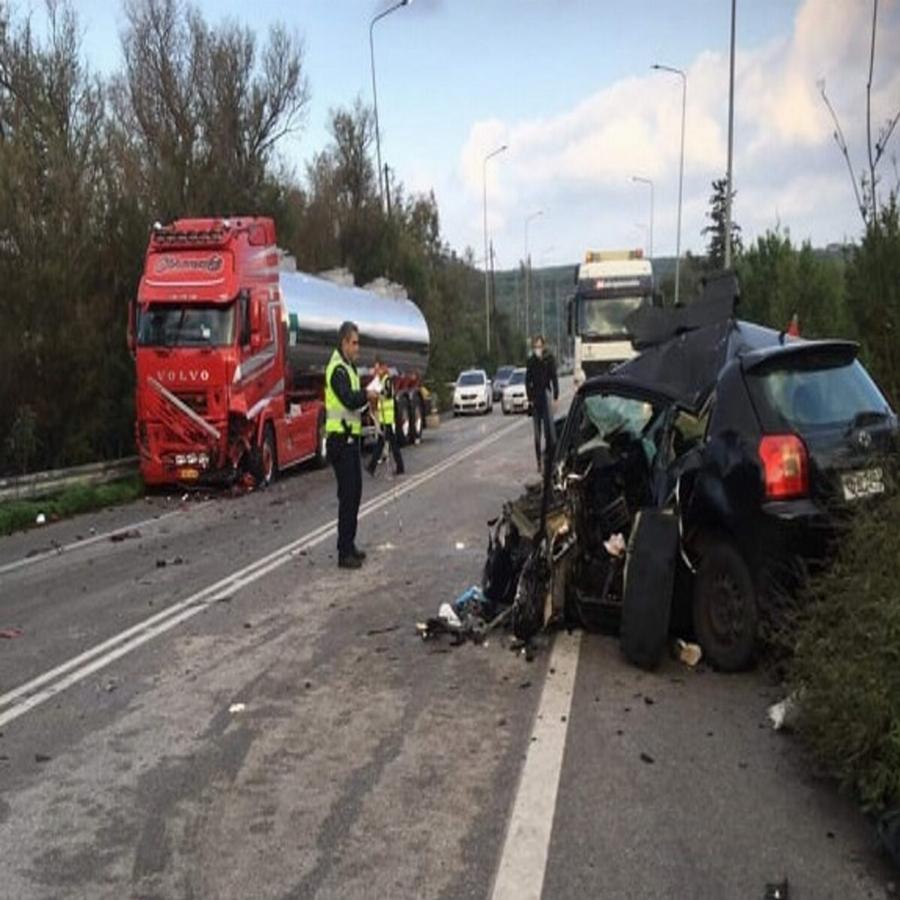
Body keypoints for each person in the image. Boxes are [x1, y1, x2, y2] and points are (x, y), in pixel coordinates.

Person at [325, 321, 379, 569]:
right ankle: (343, 551)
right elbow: (347, 399)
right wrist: (366, 395)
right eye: (354, 343)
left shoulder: (349, 368)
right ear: (344, 342)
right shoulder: (337, 369)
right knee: (347, 496)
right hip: (340, 440)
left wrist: (368, 406)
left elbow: (354, 405)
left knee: (355, 494)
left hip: (351, 440)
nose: (358, 348)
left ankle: (350, 544)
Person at [525, 334, 559, 473]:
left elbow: (554, 378)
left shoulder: (549, 360)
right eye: (535, 347)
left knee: (549, 433)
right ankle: (539, 462)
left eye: (539, 346)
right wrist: (530, 398)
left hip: (546, 397)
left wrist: (556, 397)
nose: (537, 349)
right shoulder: (531, 361)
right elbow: (527, 381)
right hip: (535, 400)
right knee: (537, 435)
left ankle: (549, 459)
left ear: (543, 346)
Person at [367, 356, 404, 477]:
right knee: (389, 443)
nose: (377, 371)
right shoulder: (381, 380)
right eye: (375, 369)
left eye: (378, 369)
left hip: (387, 418)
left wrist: (377, 394)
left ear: (384, 368)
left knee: (382, 443)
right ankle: (399, 466)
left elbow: (388, 394)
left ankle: (372, 467)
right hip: (384, 417)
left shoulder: (387, 380)